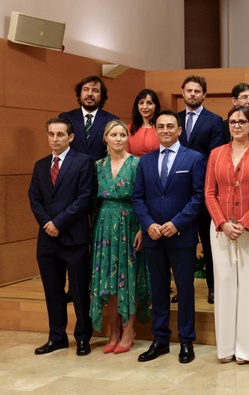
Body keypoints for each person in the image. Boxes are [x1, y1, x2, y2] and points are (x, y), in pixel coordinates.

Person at [132, 110, 206, 364]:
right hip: (153, 236)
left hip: (181, 235)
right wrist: (148, 224)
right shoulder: (145, 161)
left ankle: (187, 340)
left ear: (179, 130)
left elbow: (199, 197)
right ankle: (160, 339)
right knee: (158, 289)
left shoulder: (194, 158)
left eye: (170, 126)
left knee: (185, 290)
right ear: (155, 130)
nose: (165, 130)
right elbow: (138, 197)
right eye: (160, 126)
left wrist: (176, 223)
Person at [205, 105, 249, 364]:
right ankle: (226, 349)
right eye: (232, 121)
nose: (237, 126)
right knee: (224, 285)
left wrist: (244, 222)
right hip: (221, 228)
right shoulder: (216, 154)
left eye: (242, 121)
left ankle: (247, 349)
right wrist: (222, 222)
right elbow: (209, 193)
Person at [28, 117, 95, 356]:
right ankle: (57, 337)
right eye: (51, 134)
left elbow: (84, 198)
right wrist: (47, 223)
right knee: (52, 291)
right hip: (47, 239)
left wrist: (59, 222)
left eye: (60, 134)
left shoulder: (84, 162)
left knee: (78, 291)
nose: (55, 139)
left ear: (71, 137)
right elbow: (34, 199)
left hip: (74, 238)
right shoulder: (40, 165)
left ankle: (82, 337)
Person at [89, 120, 151, 354]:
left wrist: (143, 228)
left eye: (122, 134)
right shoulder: (97, 166)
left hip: (130, 224)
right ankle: (114, 330)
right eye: (113, 134)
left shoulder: (138, 164)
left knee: (129, 277)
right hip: (104, 227)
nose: (118, 139)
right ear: (105, 138)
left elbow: (146, 198)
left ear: (128, 138)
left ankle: (129, 329)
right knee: (109, 279)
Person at [177, 75, 224, 304]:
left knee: (208, 242)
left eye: (197, 91)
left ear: (204, 94)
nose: (192, 94)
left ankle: (213, 287)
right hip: (178, 192)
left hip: (204, 190)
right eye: (189, 90)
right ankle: (182, 289)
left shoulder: (214, 121)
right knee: (182, 245)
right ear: (183, 92)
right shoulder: (173, 120)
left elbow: (214, 157)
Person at [60, 75, 119, 162]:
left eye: (95, 90)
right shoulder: (66, 118)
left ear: (101, 96)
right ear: (80, 93)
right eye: (86, 89)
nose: (90, 94)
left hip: (101, 172)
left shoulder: (112, 120)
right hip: (73, 172)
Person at [126, 89, 161, 157]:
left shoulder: (162, 128)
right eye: (141, 103)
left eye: (149, 103)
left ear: (156, 106)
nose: (145, 107)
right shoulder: (128, 129)